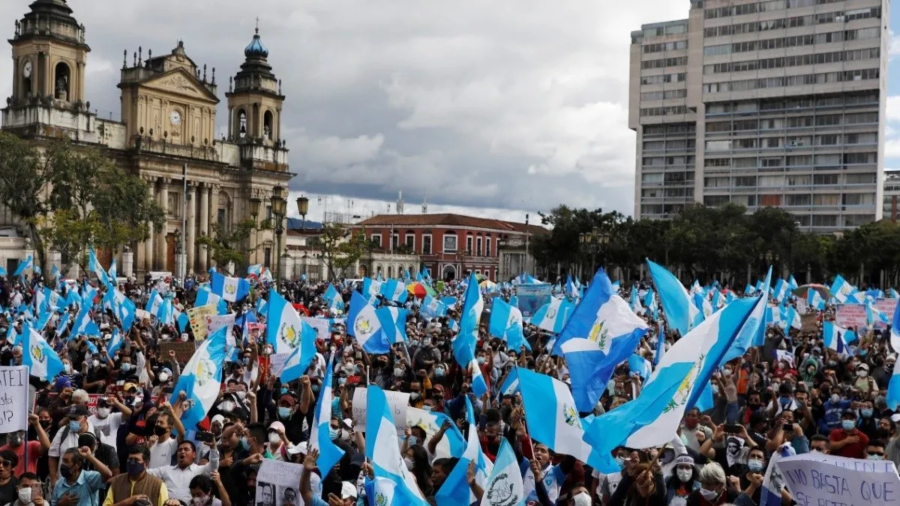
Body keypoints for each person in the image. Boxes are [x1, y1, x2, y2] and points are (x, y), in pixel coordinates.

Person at [147, 440, 218, 503]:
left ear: (194, 455)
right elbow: (147, 473)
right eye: (180, 450)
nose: (182, 451)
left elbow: (213, 468)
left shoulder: (200, 470)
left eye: (186, 449)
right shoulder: (166, 470)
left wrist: (213, 448)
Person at [103, 446, 168, 506]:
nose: (132, 462)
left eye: (136, 460)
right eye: (130, 459)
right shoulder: (117, 481)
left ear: (146, 464)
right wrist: (126, 502)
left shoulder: (158, 485)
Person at [49, 406, 95, 487]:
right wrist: (53, 478)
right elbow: (53, 455)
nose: (72, 422)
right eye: (70, 418)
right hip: (63, 484)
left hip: (87, 486)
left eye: (75, 419)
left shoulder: (96, 434)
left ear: (85, 418)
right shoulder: (63, 431)